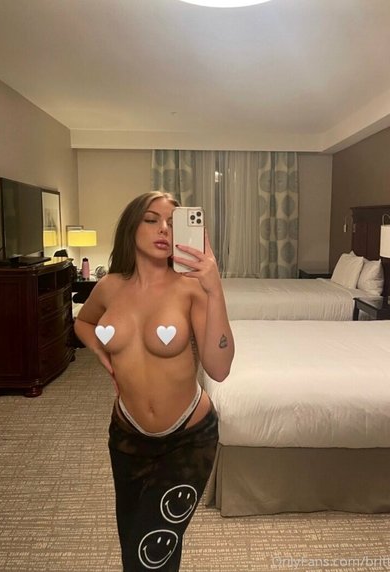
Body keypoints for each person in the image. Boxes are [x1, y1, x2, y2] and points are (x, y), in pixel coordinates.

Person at [74, 191, 234, 571]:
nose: (164, 229)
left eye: (173, 223)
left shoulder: (190, 288)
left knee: (150, 554)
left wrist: (215, 289)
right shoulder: (109, 286)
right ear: (132, 227)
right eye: (151, 219)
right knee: (133, 543)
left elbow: (219, 367)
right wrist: (100, 352)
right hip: (126, 437)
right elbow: (83, 321)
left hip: (187, 440)